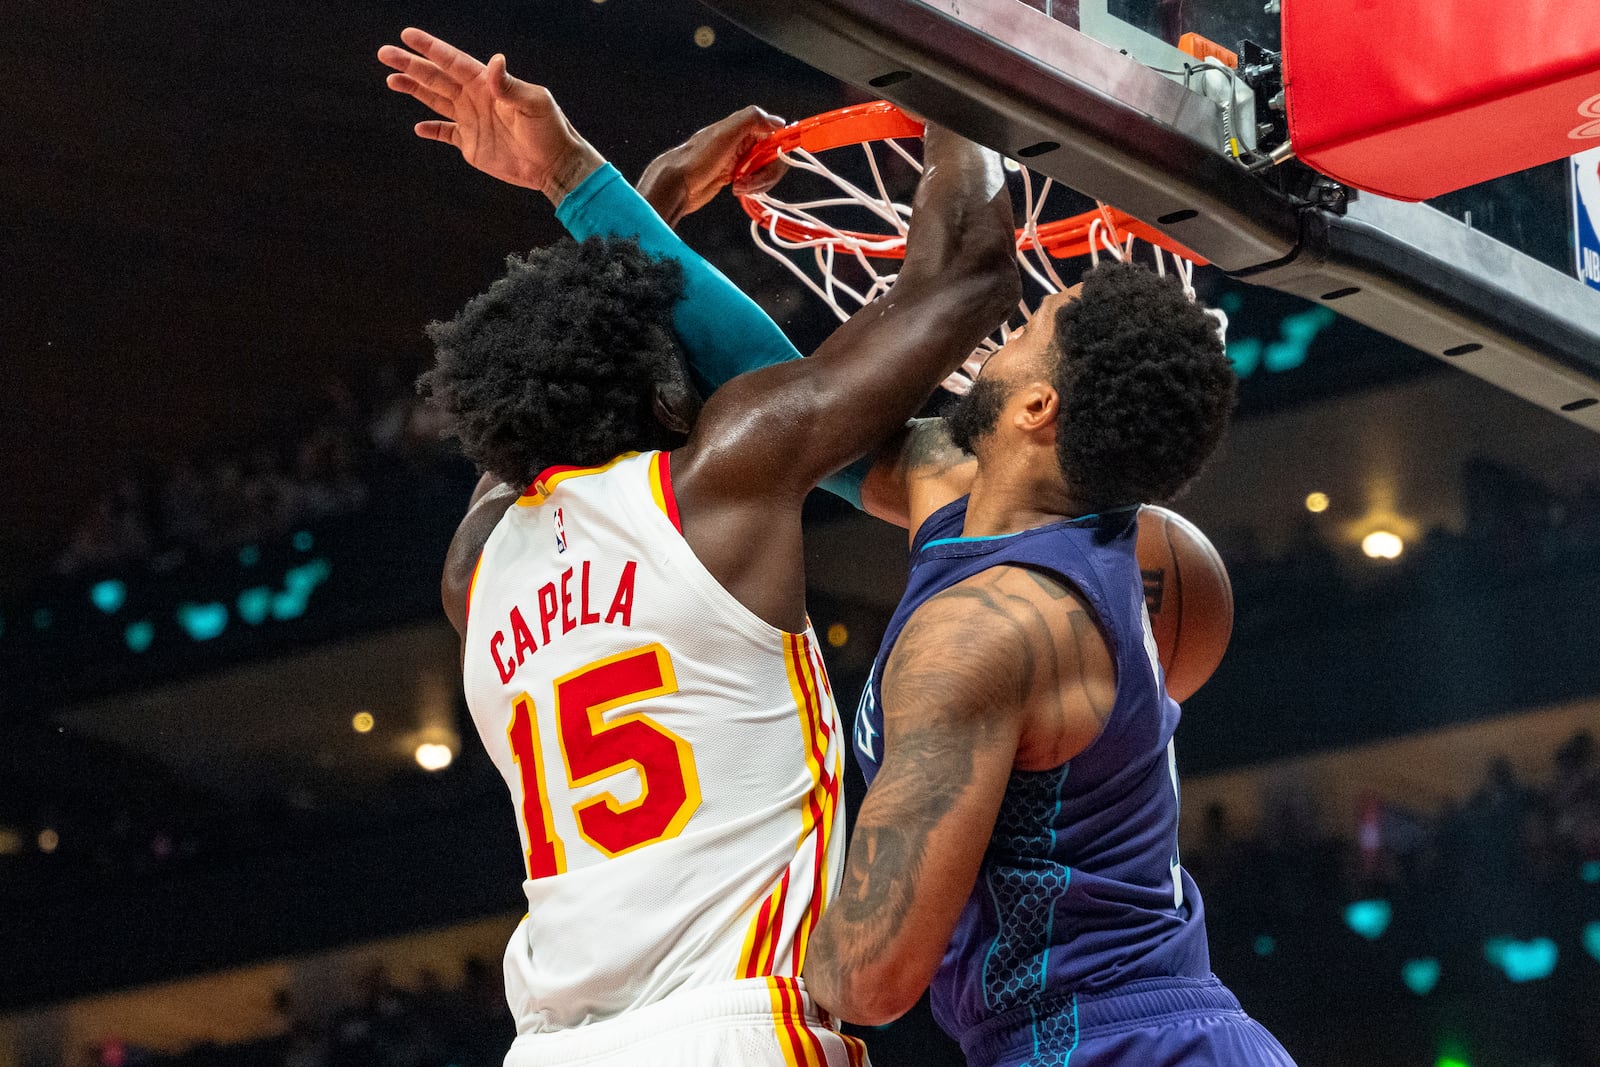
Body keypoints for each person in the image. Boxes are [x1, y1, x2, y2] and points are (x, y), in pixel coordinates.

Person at [377, 27, 1020, 1067]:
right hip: (725, 1025)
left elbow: (549, 370)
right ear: (673, 391)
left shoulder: (475, 566)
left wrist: (625, 198)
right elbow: (969, 277)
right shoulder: (715, 483)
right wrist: (958, 59)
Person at [795, 274, 1300, 1065]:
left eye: (1029, 327)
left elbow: (867, 978)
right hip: (1173, 1029)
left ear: (1038, 408)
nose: (1004, 339)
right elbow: (801, 413)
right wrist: (582, 188)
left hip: (1099, 1041)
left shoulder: (985, 631)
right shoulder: (1070, 533)